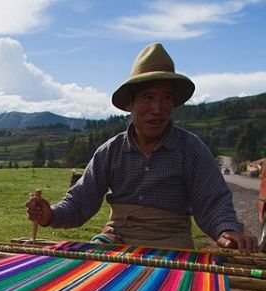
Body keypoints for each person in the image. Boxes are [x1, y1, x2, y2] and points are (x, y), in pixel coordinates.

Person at [26, 43, 258, 253]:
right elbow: (79, 202)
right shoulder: (111, 151)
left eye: (166, 97)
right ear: (131, 103)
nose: (158, 108)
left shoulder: (191, 149)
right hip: (116, 240)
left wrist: (225, 229)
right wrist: (50, 214)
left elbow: (213, 200)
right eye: (148, 97)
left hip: (172, 245)